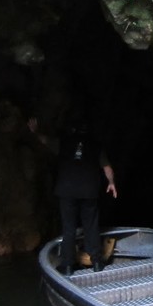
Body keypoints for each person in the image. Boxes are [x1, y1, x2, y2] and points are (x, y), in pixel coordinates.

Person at [30, 107, 118, 275]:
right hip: (89, 192)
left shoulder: (63, 143)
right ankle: (97, 262)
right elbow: (107, 167)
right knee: (91, 226)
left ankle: (68, 266)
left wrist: (35, 132)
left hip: (67, 191)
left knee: (69, 228)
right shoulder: (96, 146)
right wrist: (111, 183)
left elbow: (44, 140)